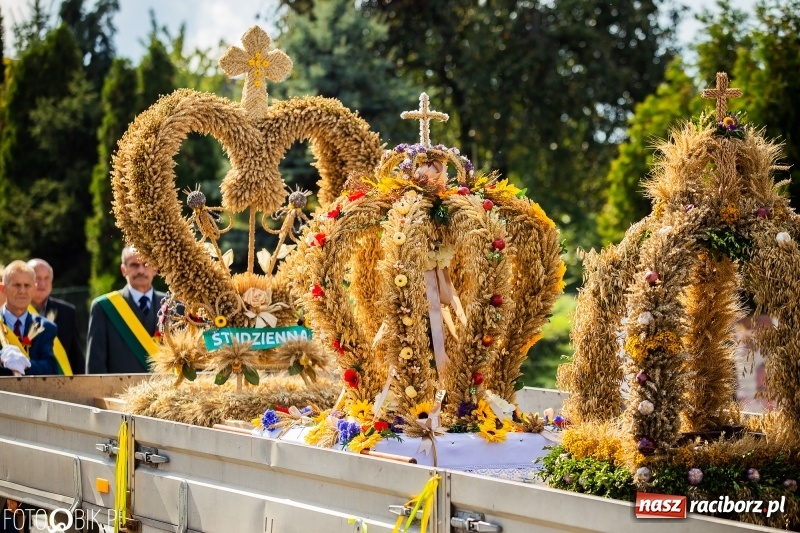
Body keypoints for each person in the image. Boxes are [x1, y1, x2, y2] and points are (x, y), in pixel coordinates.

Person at [86, 245, 166, 373]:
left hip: (165, 391)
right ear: (124, 270)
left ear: (155, 268)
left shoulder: (173, 306)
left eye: (146, 264)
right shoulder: (104, 307)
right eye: (134, 265)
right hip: (120, 391)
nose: (141, 270)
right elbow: (96, 365)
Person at [0, 261, 58, 376]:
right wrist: (2, 362)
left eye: (27, 285)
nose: (22, 291)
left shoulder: (45, 327)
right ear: (3, 288)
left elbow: (50, 368)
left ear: (34, 289)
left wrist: (27, 364)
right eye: (16, 285)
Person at [27, 258, 85, 375]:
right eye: (37, 278)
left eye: (46, 278)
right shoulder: (15, 311)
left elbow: (76, 357)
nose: (42, 283)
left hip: (62, 385)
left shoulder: (68, 312)